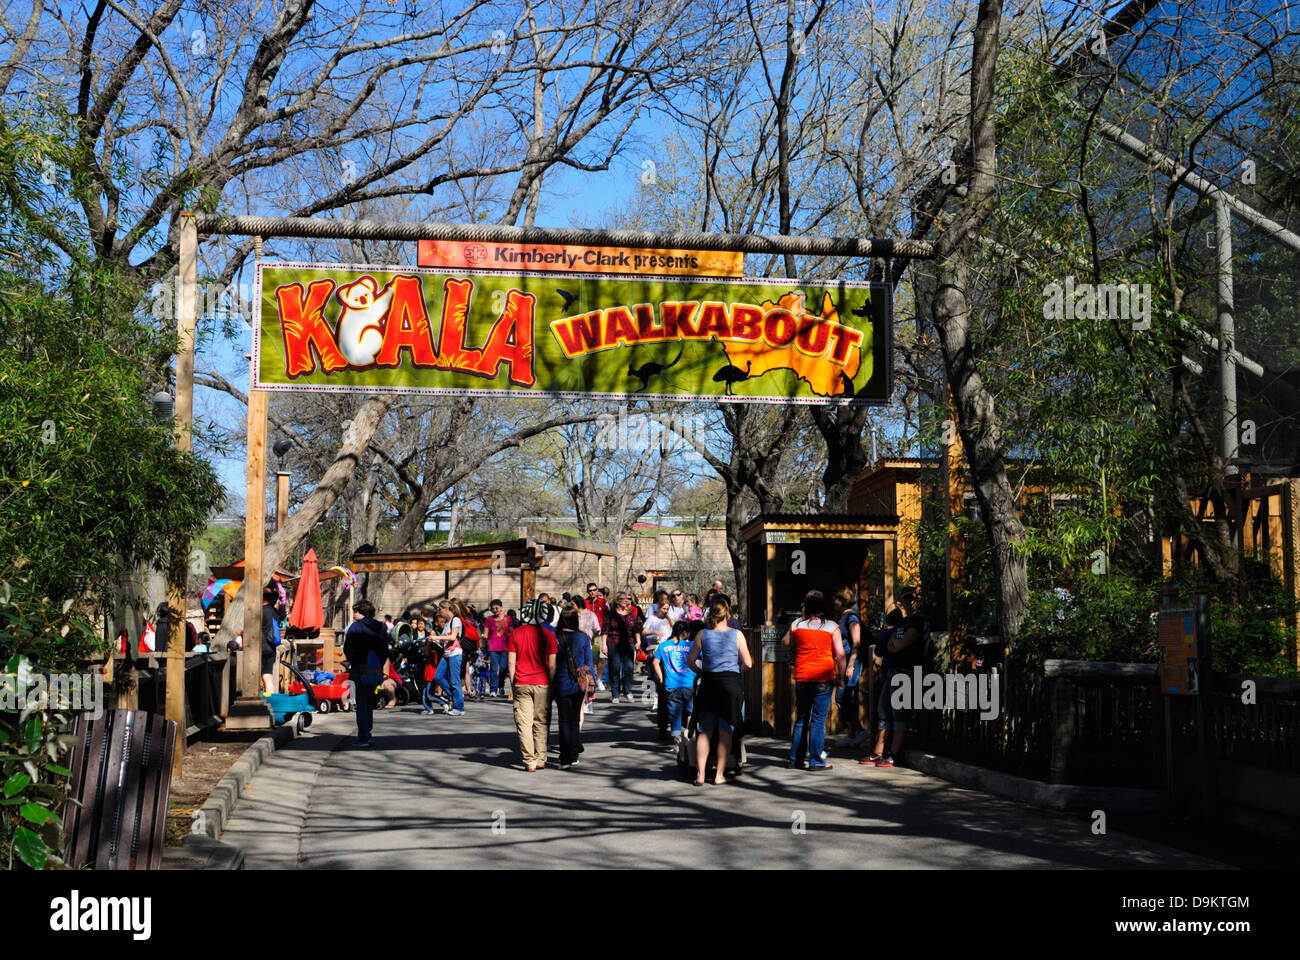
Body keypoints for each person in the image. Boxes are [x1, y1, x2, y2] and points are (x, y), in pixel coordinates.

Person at [687, 598, 752, 786]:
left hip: (709, 683)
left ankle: (700, 774)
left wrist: (701, 672)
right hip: (730, 685)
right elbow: (748, 663)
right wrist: (737, 671)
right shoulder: (737, 635)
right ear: (728, 614)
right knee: (726, 731)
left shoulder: (701, 634)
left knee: (705, 731)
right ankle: (719, 775)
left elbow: (690, 661)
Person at [783, 590, 846, 771]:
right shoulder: (832, 626)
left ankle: (796, 759)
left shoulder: (797, 624)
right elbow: (840, 655)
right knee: (818, 720)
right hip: (823, 677)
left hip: (802, 675)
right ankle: (816, 760)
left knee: (801, 718)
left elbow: (785, 643)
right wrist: (841, 677)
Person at [862, 587, 925, 768]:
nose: (908, 602)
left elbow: (901, 643)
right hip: (894, 670)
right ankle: (878, 751)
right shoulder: (902, 624)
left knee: (899, 714)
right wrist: (895, 645)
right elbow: (891, 646)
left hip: (908, 671)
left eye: (911, 599)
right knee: (884, 710)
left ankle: (893, 754)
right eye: (905, 598)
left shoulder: (918, 620)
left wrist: (895, 645)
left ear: (916, 600)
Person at [508, 598, 558, 772]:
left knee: (524, 723)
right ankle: (541, 757)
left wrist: (513, 683)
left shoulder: (515, 634)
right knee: (541, 722)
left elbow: (511, 662)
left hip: (522, 682)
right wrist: (550, 683)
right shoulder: (550, 635)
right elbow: (552, 665)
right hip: (542, 682)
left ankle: (529, 760)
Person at [343, 600, 394, 747]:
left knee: (361, 702)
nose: (353, 614)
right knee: (369, 701)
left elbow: (348, 648)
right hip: (374, 668)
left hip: (359, 668)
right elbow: (385, 649)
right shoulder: (380, 627)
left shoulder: (355, 627)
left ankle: (363, 736)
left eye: (355, 611)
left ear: (362, 612)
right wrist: (378, 662)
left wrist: (353, 661)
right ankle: (368, 733)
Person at [552, 606, 594, 769]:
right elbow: (588, 664)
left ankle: (565, 757)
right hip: (579, 683)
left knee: (563, 720)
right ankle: (574, 754)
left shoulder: (556, 637)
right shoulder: (583, 638)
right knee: (575, 720)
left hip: (561, 682)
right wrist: (591, 687)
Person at [833, 588, 868, 747]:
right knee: (845, 697)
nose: (834, 602)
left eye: (836, 599)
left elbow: (857, 642)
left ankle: (859, 731)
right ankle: (852, 733)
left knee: (845, 697)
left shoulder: (852, 618)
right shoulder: (843, 617)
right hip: (843, 661)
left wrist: (851, 664)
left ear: (842, 600)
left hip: (851, 661)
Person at [654, 620, 696, 743]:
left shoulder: (663, 645)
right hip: (688, 684)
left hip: (671, 686)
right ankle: (689, 736)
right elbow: (702, 657)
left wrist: (661, 677)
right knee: (690, 712)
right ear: (685, 633)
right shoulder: (691, 645)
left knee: (674, 716)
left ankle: (677, 740)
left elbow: (655, 662)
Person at [603, 592, 641, 704]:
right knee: (614, 668)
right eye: (622, 599)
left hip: (628, 643)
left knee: (629, 668)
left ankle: (627, 691)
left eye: (627, 599)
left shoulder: (630, 613)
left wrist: (638, 640)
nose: (626, 600)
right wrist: (603, 644)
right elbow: (605, 630)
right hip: (613, 643)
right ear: (617, 601)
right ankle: (615, 694)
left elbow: (636, 628)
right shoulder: (610, 614)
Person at [436, 601, 466, 716]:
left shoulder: (456, 620)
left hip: (455, 654)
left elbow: (453, 637)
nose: (439, 612)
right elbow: (444, 639)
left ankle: (459, 707)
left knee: (455, 681)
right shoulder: (448, 622)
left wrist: (437, 636)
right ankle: (456, 696)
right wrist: (435, 639)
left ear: (446, 609)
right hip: (446, 654)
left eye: (440, 609)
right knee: (438, 676)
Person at [573, 596, 601, 714]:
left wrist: (593, 637)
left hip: (587, 646)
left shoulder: (591, 615)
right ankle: (579, 700)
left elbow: (598, 629)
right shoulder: (573, 615)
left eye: (573, 604)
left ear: (578, 604)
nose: (572, 606)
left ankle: (588, 700)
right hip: (574, 647)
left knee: (588, 672)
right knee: (577, 673)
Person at [484, 599, 513, 698]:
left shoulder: (508, 619)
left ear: (501, 608)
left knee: (504, 669)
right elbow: (485, 634)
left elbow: (511, 632)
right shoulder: (489, 619)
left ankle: (501, 685)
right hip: (493, 648)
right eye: (493, 609)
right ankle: (493, 689)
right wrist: (484, 645)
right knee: (494, 669)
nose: (495, 610)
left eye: (497, 608)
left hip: (505, 647)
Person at [261, 586, 280, 696]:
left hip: (262, 647)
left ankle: (265, 701)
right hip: (272, 646)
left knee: (261, 676)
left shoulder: (261, 611)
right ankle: (271, 700)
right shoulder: (274, 611)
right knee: (268, 675)